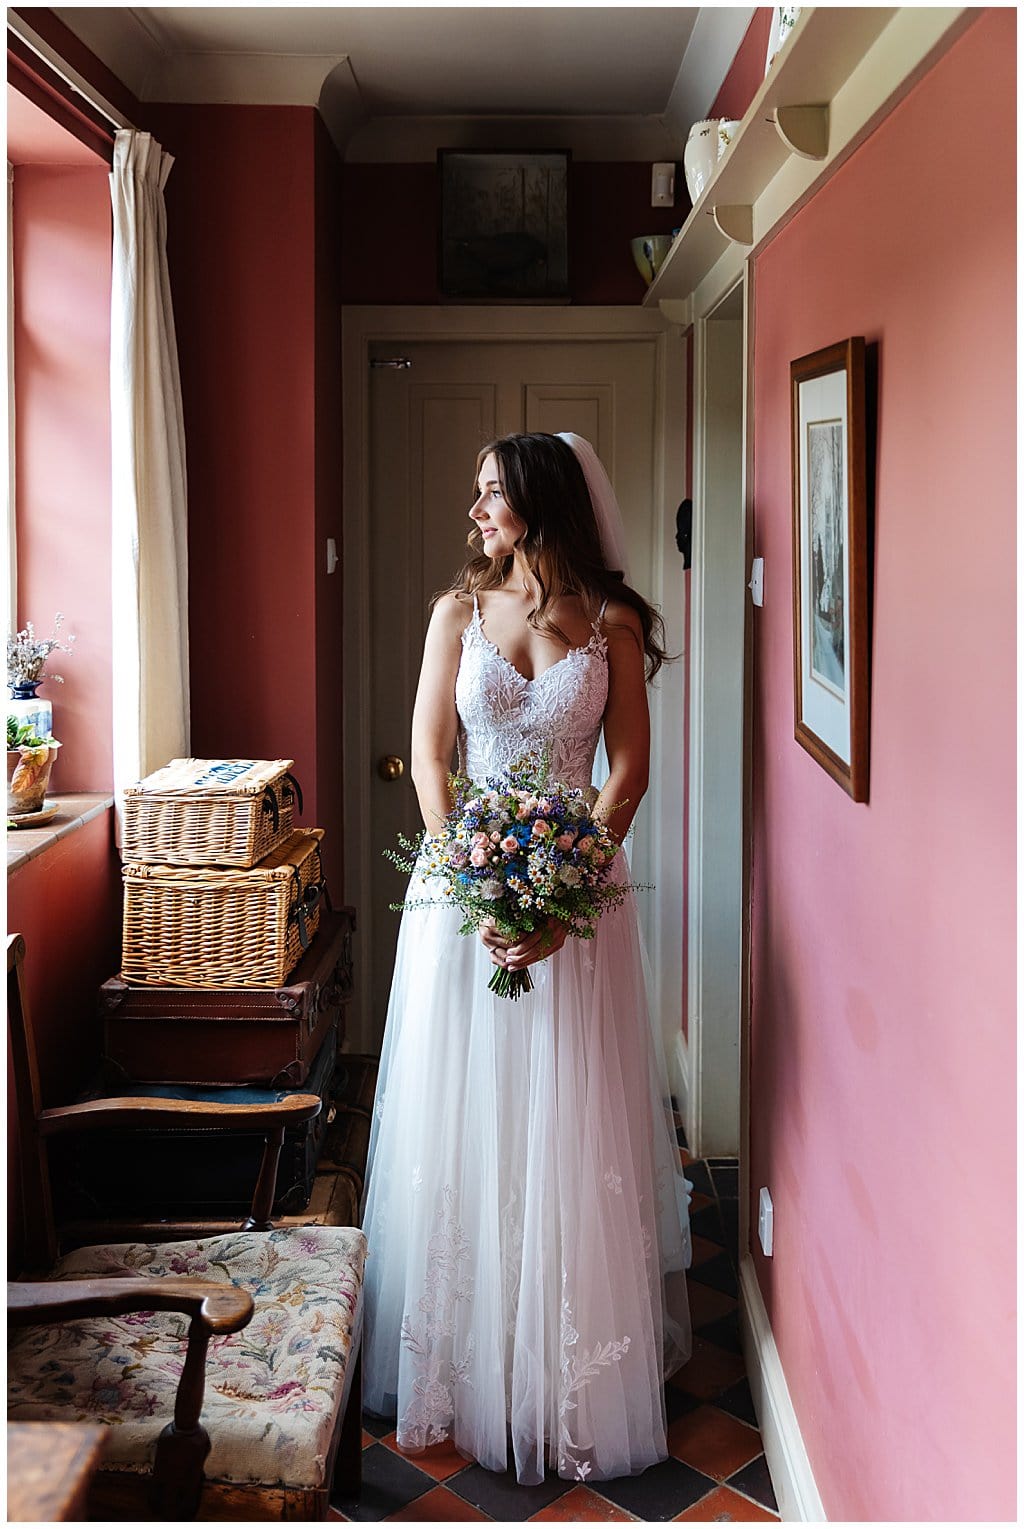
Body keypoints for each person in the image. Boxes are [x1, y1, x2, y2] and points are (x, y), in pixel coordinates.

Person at [361, 432, 692, 1487]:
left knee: (560, 1115)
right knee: (462, 1113)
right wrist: (466, 872)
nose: (477, 513)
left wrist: (558, 897)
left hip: (576, 906)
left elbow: (627, 771)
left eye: (493, 495)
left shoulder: (610, 623)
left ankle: (563, 1364)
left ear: (542, 502)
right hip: (457, 898)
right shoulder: (456, 614)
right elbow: (428, 752)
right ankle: (457, 1355)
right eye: (476, 495)